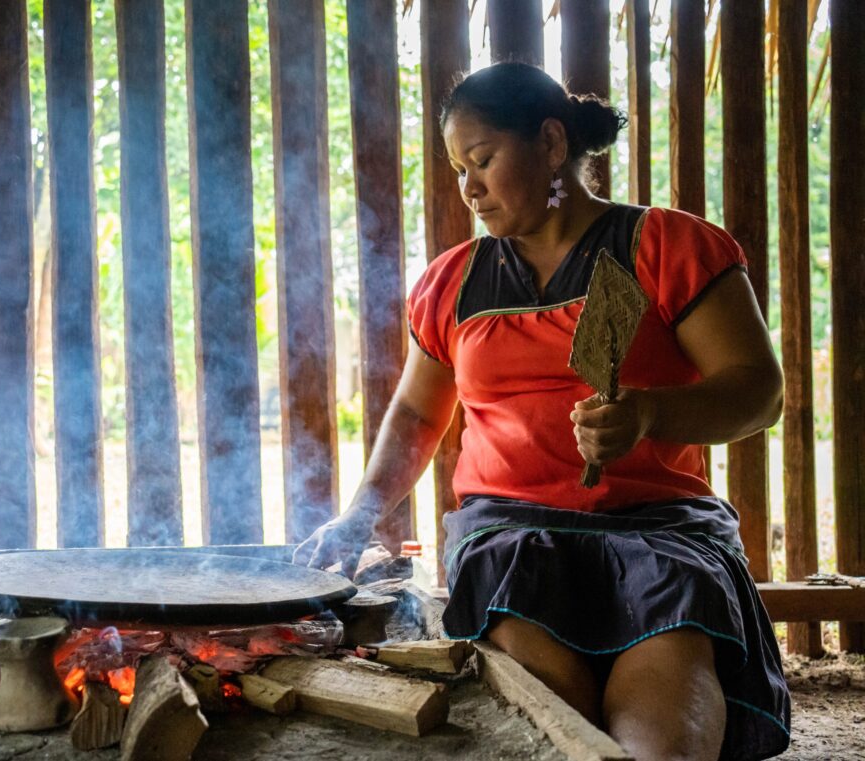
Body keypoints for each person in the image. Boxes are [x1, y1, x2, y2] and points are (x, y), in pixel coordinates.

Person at [293, 62, 790, 761]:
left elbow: (758, 391)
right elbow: (413, 415)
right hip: (511, 542)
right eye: (459, 168)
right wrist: (359, 514)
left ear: (553, 144)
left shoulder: (667, 247)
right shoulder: (453, 283)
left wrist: (647, 413)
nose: (468, 186)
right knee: (551, 721)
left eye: (484, 160)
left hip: (661, 537)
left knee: (662, 738)